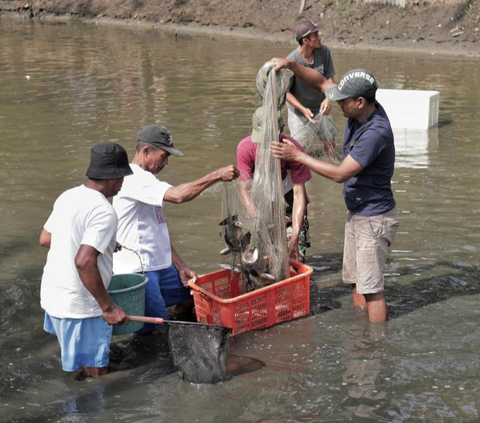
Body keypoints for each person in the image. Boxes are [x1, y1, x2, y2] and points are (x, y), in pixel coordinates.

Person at [270, 62, 399, 322]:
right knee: (356, 281)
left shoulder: (375, 133)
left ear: (360, 102)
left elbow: (340, 174)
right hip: (358, 213)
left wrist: (298, 155)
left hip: (373, 218)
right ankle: (359, 334)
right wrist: (292, 65)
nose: (338, 104)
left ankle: (374, 347)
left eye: (344, 101)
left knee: (372, 290)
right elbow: (320, 83)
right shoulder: (360, 111)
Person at [113, 125, 239, 334]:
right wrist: (216, 175)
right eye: (163, 156)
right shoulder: (134, 177)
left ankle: (176, 326)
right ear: (146, 151)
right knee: (157, 330)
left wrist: (181, 266)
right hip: (140, 269)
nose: (166, 163)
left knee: (194, 296)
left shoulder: (148, 181)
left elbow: (157, 233)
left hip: (161, 266)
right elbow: (179, 196)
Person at [39, 143, 133, 377]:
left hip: (54, 297)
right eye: (122, 177)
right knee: (97, 374)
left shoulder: (68, 196)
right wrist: (109, 307)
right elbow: (84, 262)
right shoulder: (104, 210)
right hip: (82, 306)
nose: (123, 184)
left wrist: (106, 243)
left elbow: (46, 238)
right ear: (112, 177)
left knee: (78, 364)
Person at [237, 106, 312, 262]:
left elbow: (299, 195)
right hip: (262, 197)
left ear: (281, 130)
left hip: (289, 195)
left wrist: (296, 234)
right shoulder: (245, 148)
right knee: (261, 254)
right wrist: (257, 220)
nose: (265, 144)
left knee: (293, 254)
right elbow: (244, 190)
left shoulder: (294, 149)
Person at [286, 20, 338, 158]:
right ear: (306, 41)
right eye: (315, 34)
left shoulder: (324, 52)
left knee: (331, 145)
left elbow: (330, 78)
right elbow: (285, 93)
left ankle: (330, 174)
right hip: (299, 111)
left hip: (320, 106)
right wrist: (303, 109)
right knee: (298, 151)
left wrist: (328, 99)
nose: (319, 37)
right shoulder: (292, 61)